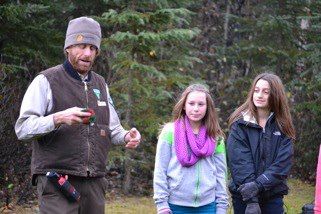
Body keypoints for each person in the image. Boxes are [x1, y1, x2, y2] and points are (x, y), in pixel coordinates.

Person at [15, 16, 141, 214]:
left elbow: (112, 128)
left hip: (94, 182)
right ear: (68, 48)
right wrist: (58, 118)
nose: (87, 53)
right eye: (81, 46)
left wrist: (127, 136)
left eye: (92, 48)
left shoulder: (100, 84)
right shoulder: (46, 81)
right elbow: (23, 129)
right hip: (56, 181)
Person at [153, 84, 229, 214]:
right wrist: (162, 205)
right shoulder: (170, 132)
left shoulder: (215, 136)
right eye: (191, 103)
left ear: (207, 107)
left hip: (208, 206)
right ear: (184, 105)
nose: (195, 109)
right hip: (175, 205)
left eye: (201, 104)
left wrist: (221, 206)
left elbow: (221, 174)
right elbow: (160, 170)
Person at [226, 73, 295, 214]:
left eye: (266, 92)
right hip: (244, 197)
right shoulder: (240, 124)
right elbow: (239, 163)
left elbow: (282, 164)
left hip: (273, 195)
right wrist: (251, 199)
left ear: (275, 95)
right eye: (256, 90)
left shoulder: (283, 126)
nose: (259, 95)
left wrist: (259, 185)